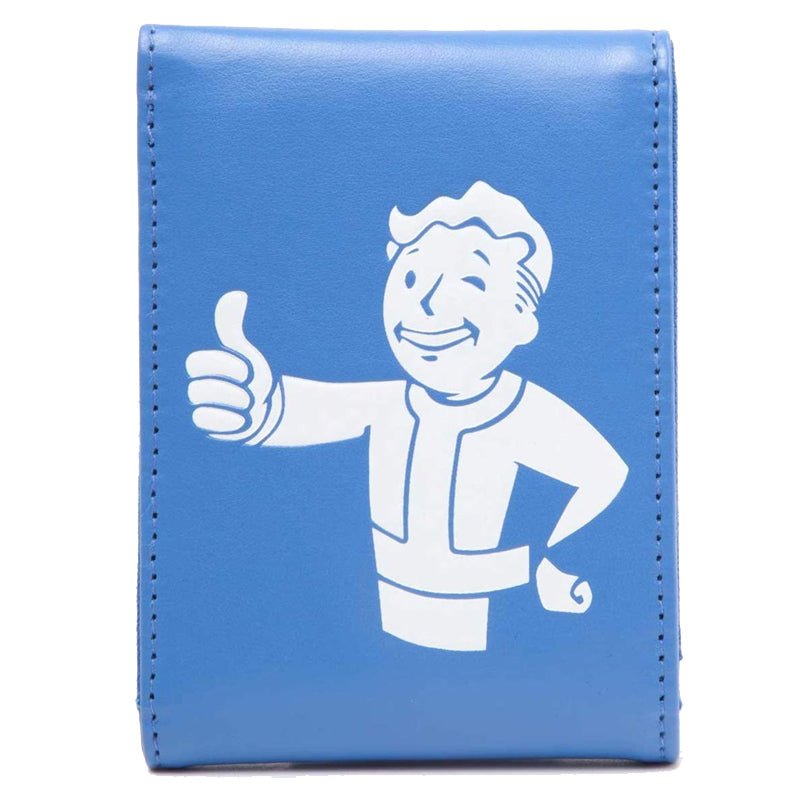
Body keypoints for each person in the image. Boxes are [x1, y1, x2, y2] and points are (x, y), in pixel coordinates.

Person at [186, 181, 628, 651]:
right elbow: (294, 410)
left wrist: (545, 557)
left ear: (523, 320)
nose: (427, 302)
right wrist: (252, 404)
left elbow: (607, 475)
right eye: (412, 277)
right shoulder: (390, 405)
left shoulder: (527, 415)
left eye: (471, 281)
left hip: (496, 640)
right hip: (374, 643)